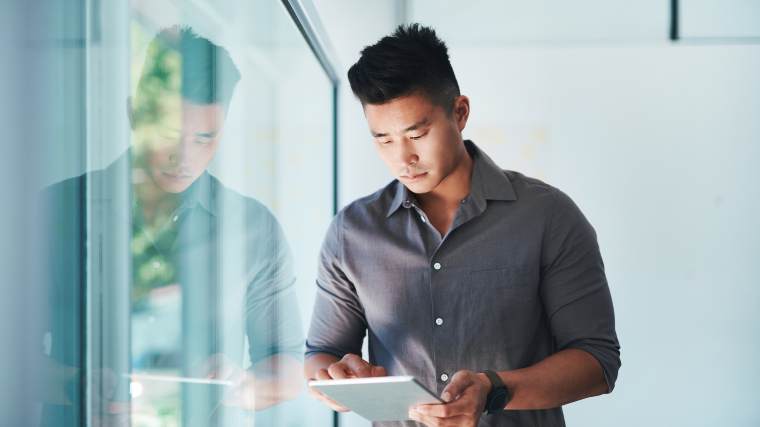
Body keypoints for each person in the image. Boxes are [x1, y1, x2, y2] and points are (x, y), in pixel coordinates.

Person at [305, 24, 621, 427]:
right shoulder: (351, 231)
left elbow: (598, 360)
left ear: (460, 112)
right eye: (383, 140)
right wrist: (334, 375)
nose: (404, 158)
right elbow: (321, 353)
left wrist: (495, 389)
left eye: (417, 134)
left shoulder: (549, 216)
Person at [38, 25, 303, 426]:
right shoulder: (58, 211)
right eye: (167, 135)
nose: (184, 156)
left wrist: (242, 385)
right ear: (134, 114)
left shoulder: (254, 228)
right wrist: (74, 384)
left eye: (204, 138)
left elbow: (288, 364)